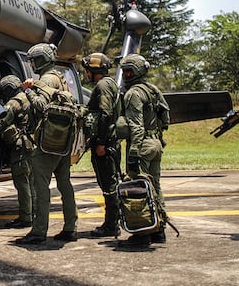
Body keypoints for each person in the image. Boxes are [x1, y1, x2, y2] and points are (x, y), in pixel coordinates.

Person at [16, 43, 78, 244]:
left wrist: (28, 91)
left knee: (40, 186)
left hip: (48, 142)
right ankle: (70, 227)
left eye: (34, 60)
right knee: (65, 184)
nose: (32, 64)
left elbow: (42, 106)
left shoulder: (46, 79)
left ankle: (38, 231)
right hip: (62, 141)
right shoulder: (59, 77)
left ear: (42, 60)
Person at [120, 53, 170, 247]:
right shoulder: (153, 90)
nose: (125, 75)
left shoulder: (133, 94)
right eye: (124, 71)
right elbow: (165, 118)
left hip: (141, 145)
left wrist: (133, 152)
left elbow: (136, 127)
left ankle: (141, 234)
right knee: (155, 186)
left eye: (129, 71)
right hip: (155, 143)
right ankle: (159, 229)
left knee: (138, 188)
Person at [80, 52, 122, 237]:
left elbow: (105, 114)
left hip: (105, 142)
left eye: (87, 70)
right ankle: (112, 222)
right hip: (110, 141)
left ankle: (111, 225)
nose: (86, 74)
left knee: (108, 184)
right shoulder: (110, 83)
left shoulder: (103, 85)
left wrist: (101, 143)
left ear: (94, 70)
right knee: (109, 182)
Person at [0, 74, 37, 229]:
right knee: (31, 181)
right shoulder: (28, 97)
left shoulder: (14, 102)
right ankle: (34, 213)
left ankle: (25, 218)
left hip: (20, 147)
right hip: (31, 144)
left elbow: (4, 121)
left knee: (22, 182)